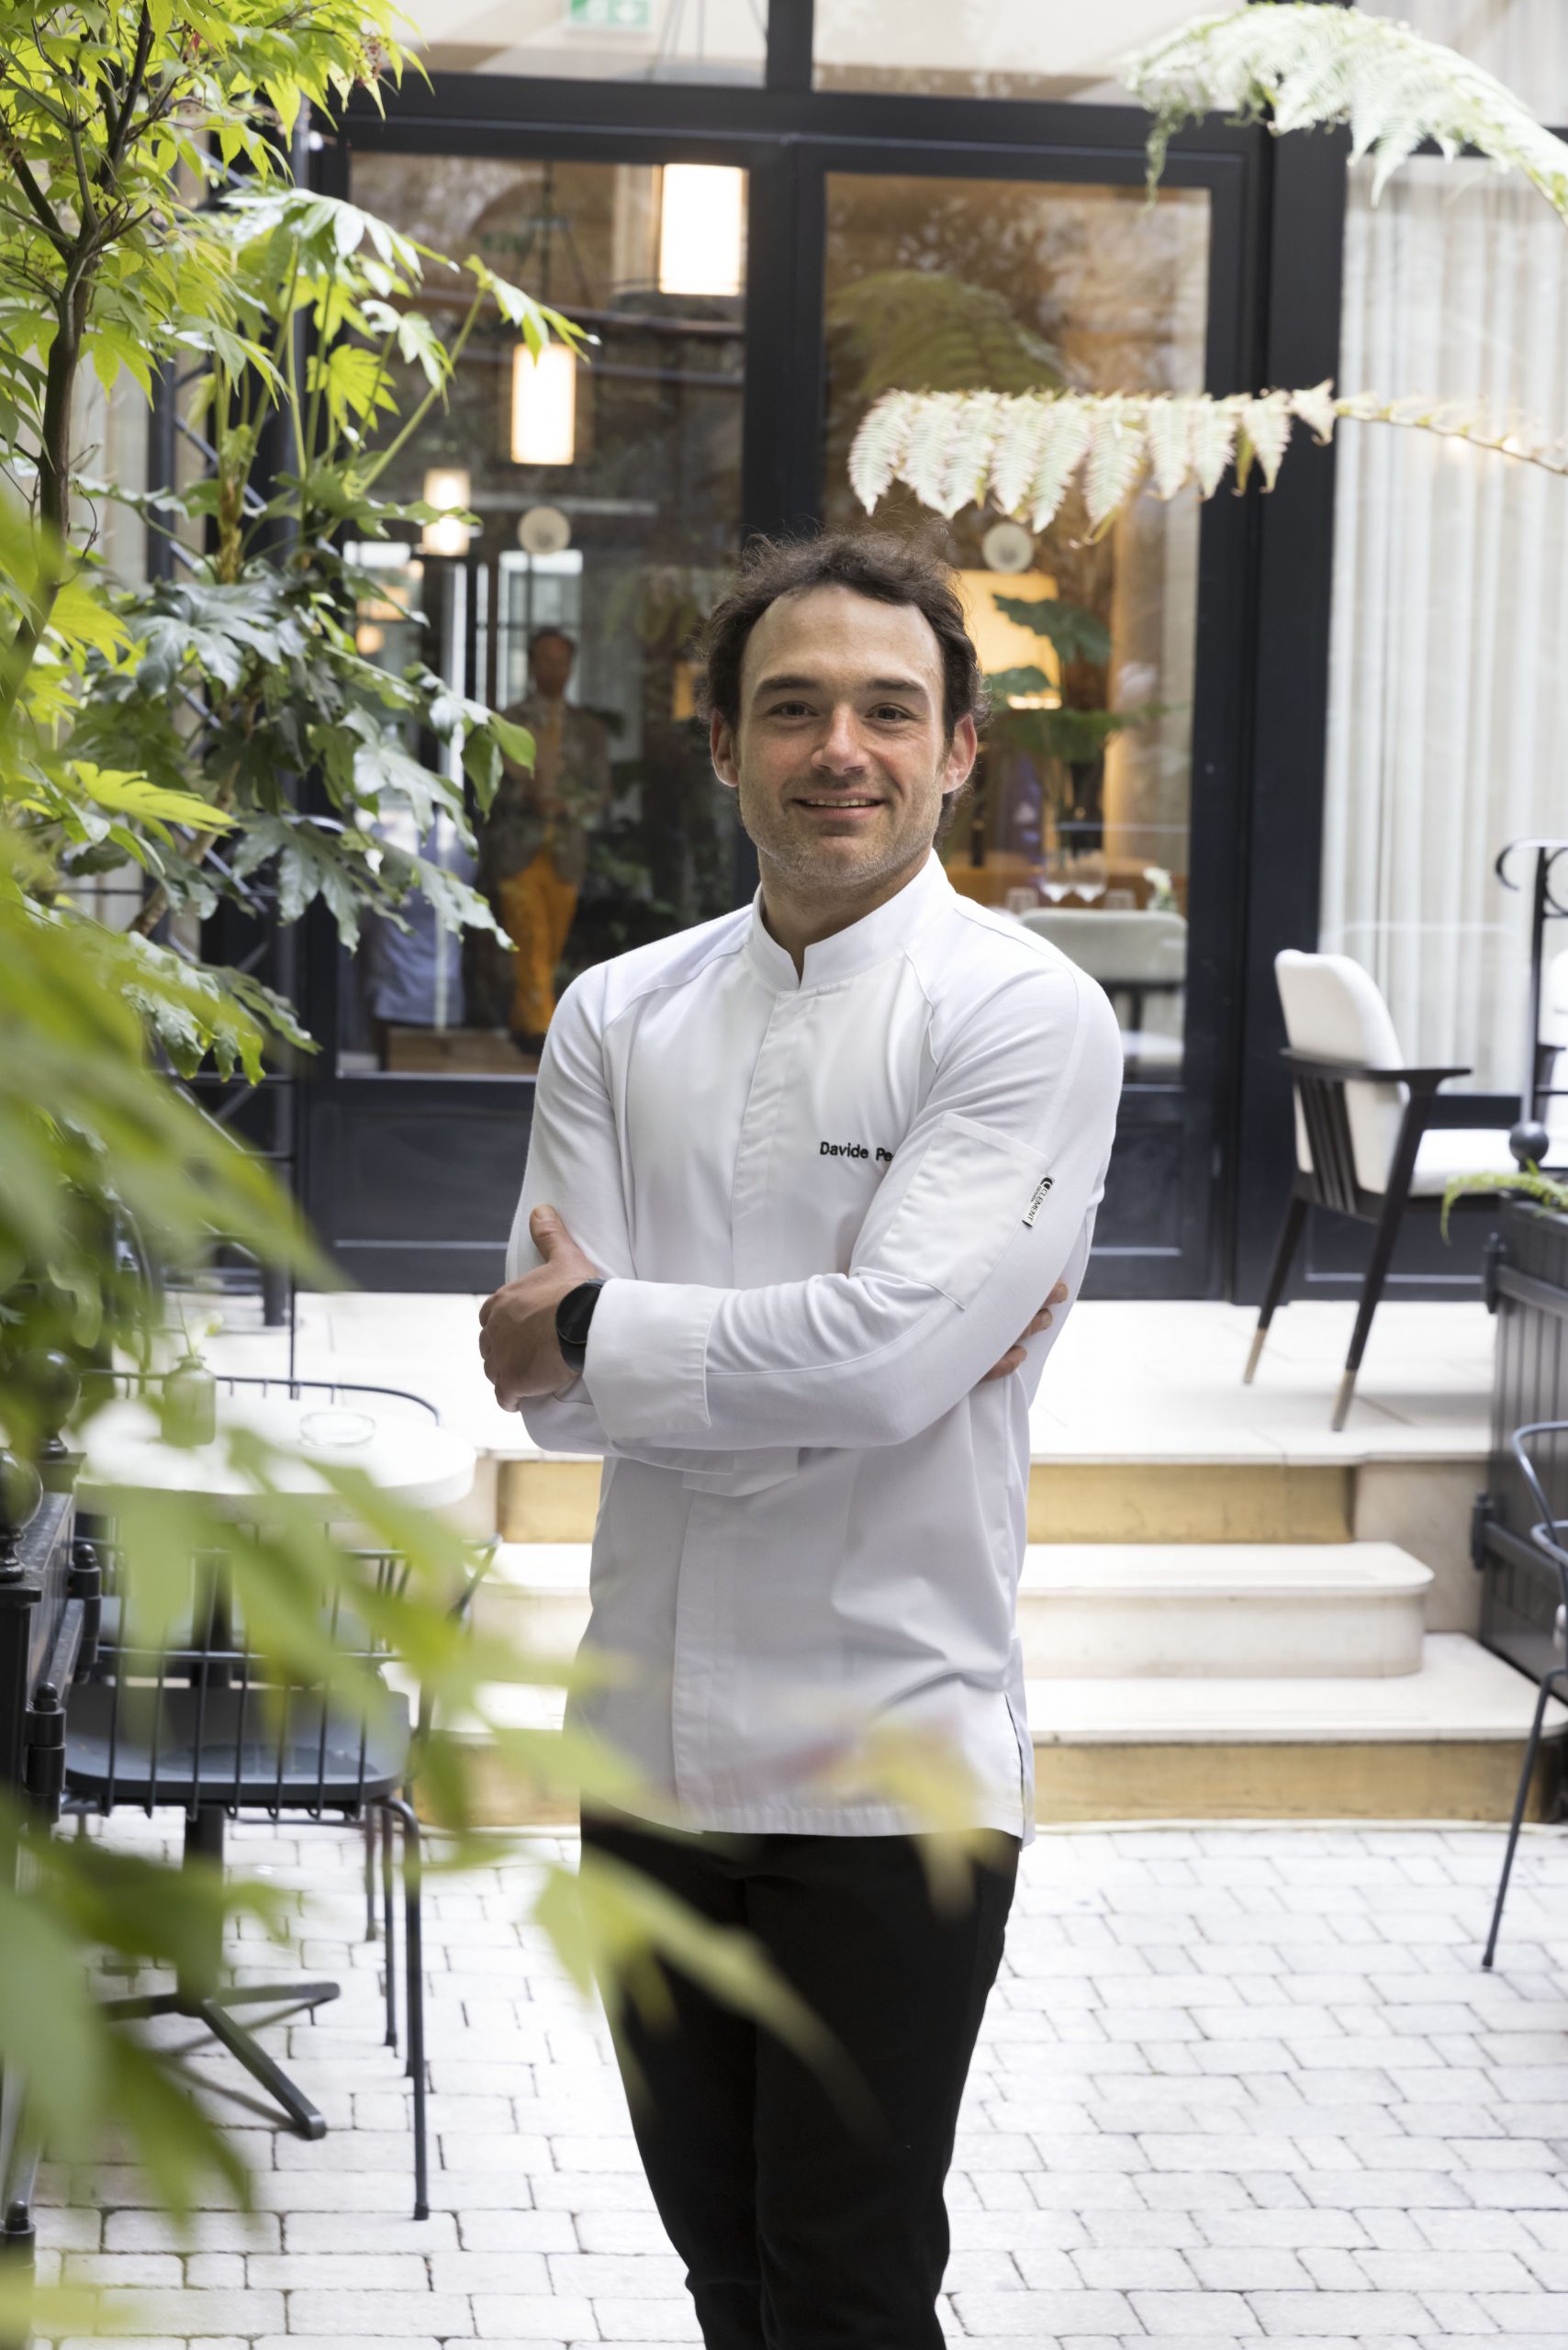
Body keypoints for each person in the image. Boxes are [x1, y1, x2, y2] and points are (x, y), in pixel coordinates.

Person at [476, 530, 1123, 2348]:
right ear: (718, 747)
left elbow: (872, 1366)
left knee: (844, 2289)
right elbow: (549, 1388)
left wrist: (625, 1326)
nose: (837, 746)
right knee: (723, 2275)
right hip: (644, 1750)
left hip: (887, 1763)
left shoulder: (1018, 1016)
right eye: (789, 706)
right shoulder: (617, 1011)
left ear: (955, 747)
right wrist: (771, 1358)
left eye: (883, 709)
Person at [481, 625, 611, 1048]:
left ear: (571, 667)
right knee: (529, 938)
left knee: (549, 943)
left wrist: (566, 806)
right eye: (545, 660)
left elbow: (600, 790)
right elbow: (486, 783)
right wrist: (527, 794)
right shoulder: (508, 722)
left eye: (561, 660)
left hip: (567, 851)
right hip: (518, 848)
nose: (554, 669)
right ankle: (543, 1032)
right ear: (532, 665)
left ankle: (525, 1024)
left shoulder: (588, 729)